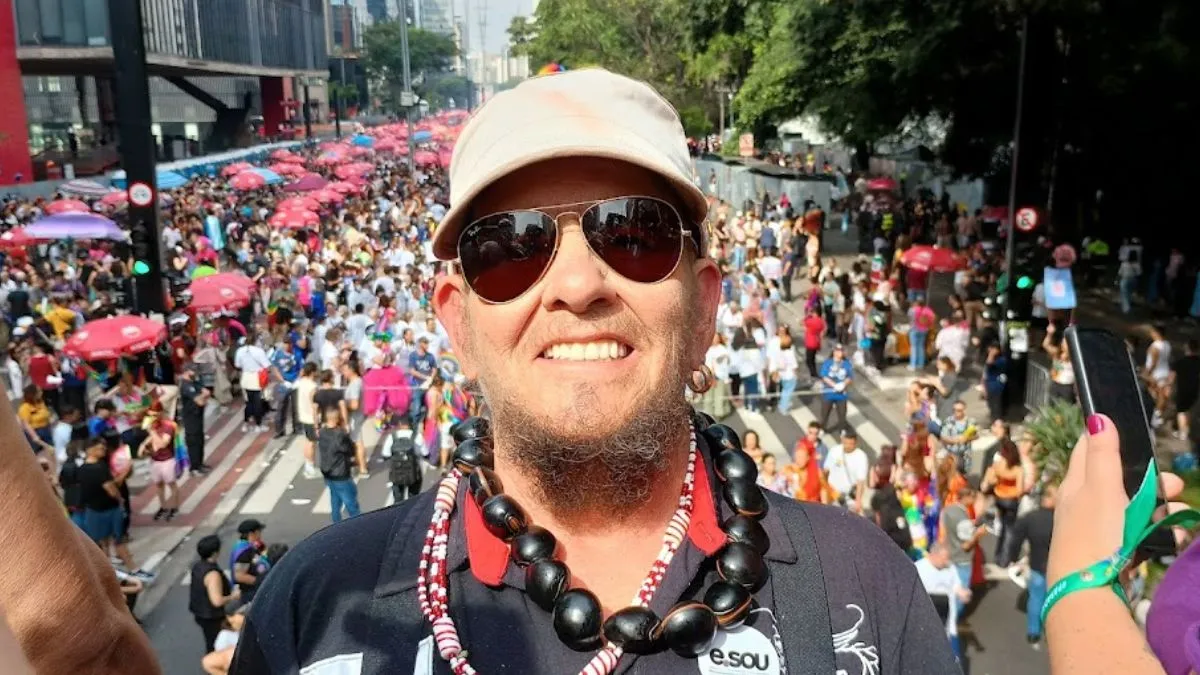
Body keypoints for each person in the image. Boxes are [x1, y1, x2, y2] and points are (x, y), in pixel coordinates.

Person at [233, 69, 959, 674]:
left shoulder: (863, 588)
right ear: (457, 324)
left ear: (703, 308)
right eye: (510, 246)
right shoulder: (314, 608)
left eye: (635, 235)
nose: (578, 286)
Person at [1006, 484, 1056, 649]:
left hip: (1036, 564)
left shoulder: (1030, 518)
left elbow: (1016, 540)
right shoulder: (1061, 520)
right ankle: (1052, 632)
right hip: (1056, 567)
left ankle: (1033, 632)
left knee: (1035, 597)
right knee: (1053, 600)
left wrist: (1012, 558)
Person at [190, 534, 241, 654]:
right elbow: (217, 601)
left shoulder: (197, 566)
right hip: (212, 616)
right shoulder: (213, 574)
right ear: (214, 553)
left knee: (211, 640)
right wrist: (233, 596)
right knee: (216, 643)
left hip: (200, 612)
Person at [316, 407, 367, 523]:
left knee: (335, 501)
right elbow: (349, 450)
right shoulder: (340, 435)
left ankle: (336, 524)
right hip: (341, 472)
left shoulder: (322, 432)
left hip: (328, 472)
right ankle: (358, 524)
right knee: (351, 502)